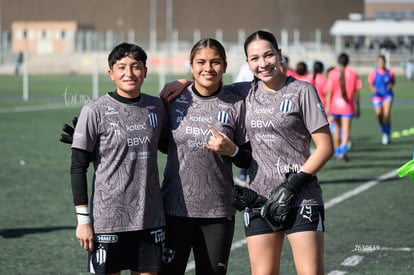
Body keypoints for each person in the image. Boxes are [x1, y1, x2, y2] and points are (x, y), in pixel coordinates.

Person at [160, 30, 334, 275]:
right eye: (255, 58)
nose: (263, 63)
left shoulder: (302, 91)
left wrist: (291, 186)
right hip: (258, 199)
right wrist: (184, 83)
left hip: (300, 197)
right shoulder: (244, 92)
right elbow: (209, 84)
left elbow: (326, 147)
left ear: (280, 55)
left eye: (268, 55)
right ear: (247, 63)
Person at [69, 42, 168, 275]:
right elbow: (77, 167)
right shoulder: (95, 110)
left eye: (136, 66)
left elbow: (169, 145)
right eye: (121, 67)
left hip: (150, 218)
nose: (129, 73)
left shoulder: (156, 107)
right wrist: (83, 221)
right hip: (108, 219)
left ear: (145, 71)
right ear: (111, 73)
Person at [160, 38, 251, 275]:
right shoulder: (172, 99)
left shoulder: (237, 103)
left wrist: (231, 150)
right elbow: (155, 143)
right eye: (201, 62)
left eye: (215, 62)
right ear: (191, 65)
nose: (208, 68)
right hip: (173, 209)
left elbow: (247, 159)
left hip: (218, 212)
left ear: (225, 65)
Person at [325, 53, 361, 161]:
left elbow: (329, 92)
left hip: (335, 106)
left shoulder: (332, 73)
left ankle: (337, 151)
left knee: (337, 129)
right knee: (346, 130)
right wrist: (358, 107)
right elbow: (356, 93)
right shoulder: (353, 74)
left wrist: (327, 107)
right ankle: (344, 148)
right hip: (348, 106)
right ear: (348, 61)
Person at [367, 54, 396, 145]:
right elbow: (370, 84)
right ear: (377, 63)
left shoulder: (390, 72)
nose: (381, 64)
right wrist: (373, 89)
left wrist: (391, 85)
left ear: (385, 62)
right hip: (377, 96)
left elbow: (393, 81)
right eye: (380, 62)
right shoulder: (374, 73)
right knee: (379, 115)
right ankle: (383, 131)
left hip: (387, 95)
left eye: (383, 62)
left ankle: (387, 134)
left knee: (386, 114)